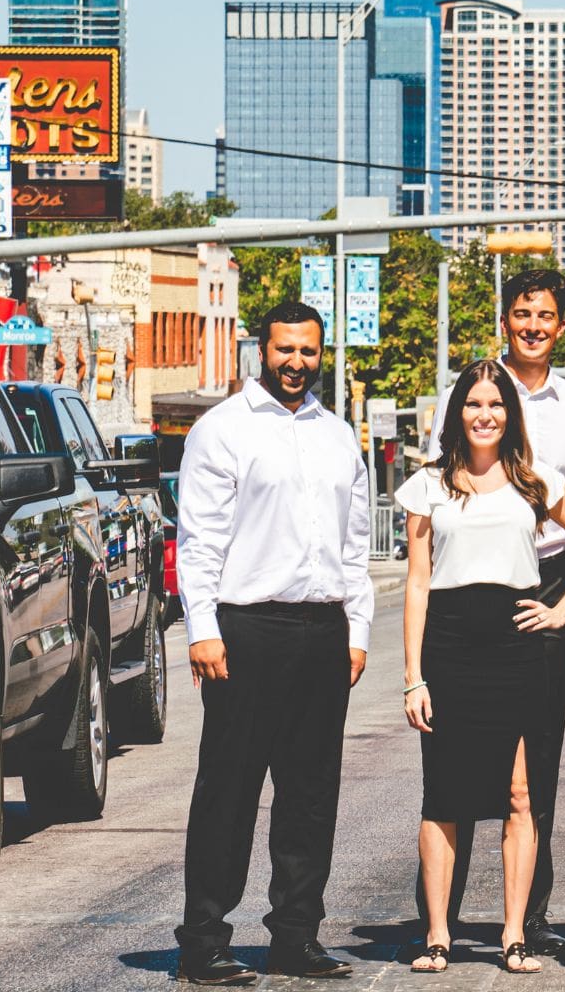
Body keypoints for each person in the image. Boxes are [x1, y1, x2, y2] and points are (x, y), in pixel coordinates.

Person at [173, 301, 373, 986]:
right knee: (229, 790)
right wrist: (203, 628)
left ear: (323, 353)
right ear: (264, 349)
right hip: (247, 630)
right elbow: (199, 542)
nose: (296, 363)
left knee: (311, 794)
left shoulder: (338, 436)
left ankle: (295, 935)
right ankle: (203, 941)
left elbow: (354, 545)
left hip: (323, 633)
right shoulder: (221, 430)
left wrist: (358, 630)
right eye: (285, 350)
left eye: (308, 352)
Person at [399, 360, 565, 974]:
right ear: (456, 413)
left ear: (510, 415)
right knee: (443, 794)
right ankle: (437, 935)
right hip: (449, 643)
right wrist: (414, 675)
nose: (484, 414)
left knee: (520, 794)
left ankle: (513, 936)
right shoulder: (428, 486)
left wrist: (562, 610)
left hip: (517, 645)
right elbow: (417, 583)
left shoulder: (536, 480)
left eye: (495, 405)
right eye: (473, 405)